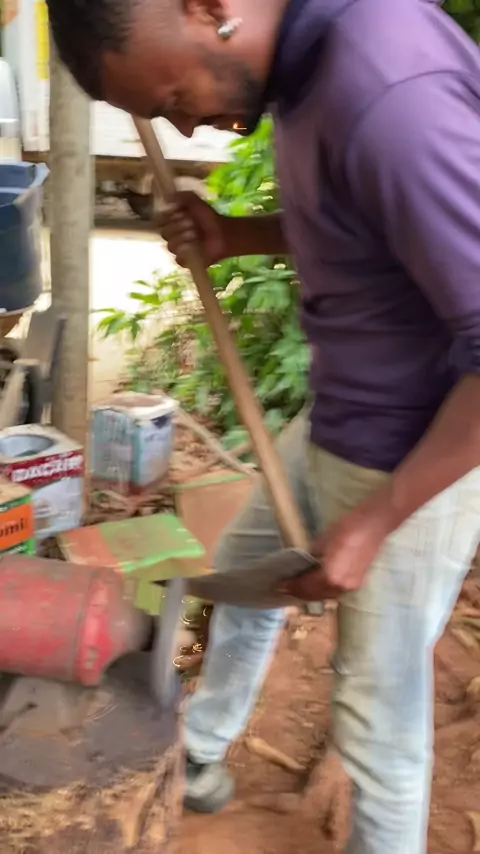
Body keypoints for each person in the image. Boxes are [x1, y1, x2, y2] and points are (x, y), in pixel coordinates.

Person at [47, 1, 480, 851]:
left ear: (209, 7)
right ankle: (203, 752)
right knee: (245, 582)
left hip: (413, 456)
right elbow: (368, 221)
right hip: (342, 414)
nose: (189, 125)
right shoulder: (305, 67)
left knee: (377, 718)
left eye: (175, 98)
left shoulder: (391, 90)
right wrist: (235, 235)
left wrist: (379, 519)